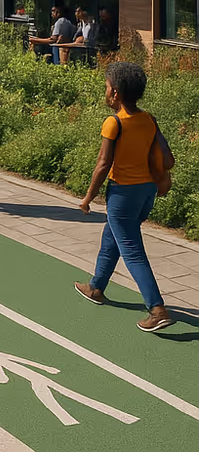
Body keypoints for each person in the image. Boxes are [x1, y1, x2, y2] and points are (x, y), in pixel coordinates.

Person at [75, 62, 175, 333]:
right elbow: (163, 156)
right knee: (113, 238)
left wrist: (87, 198)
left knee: (132, 250)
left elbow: (103, 164)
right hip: (146, 192)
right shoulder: (148, 119)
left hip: (122, 194)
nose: (105, 92)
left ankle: (157, 309)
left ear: (116, 93)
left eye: (107, 87)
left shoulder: (113, 122)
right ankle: (96, 287)